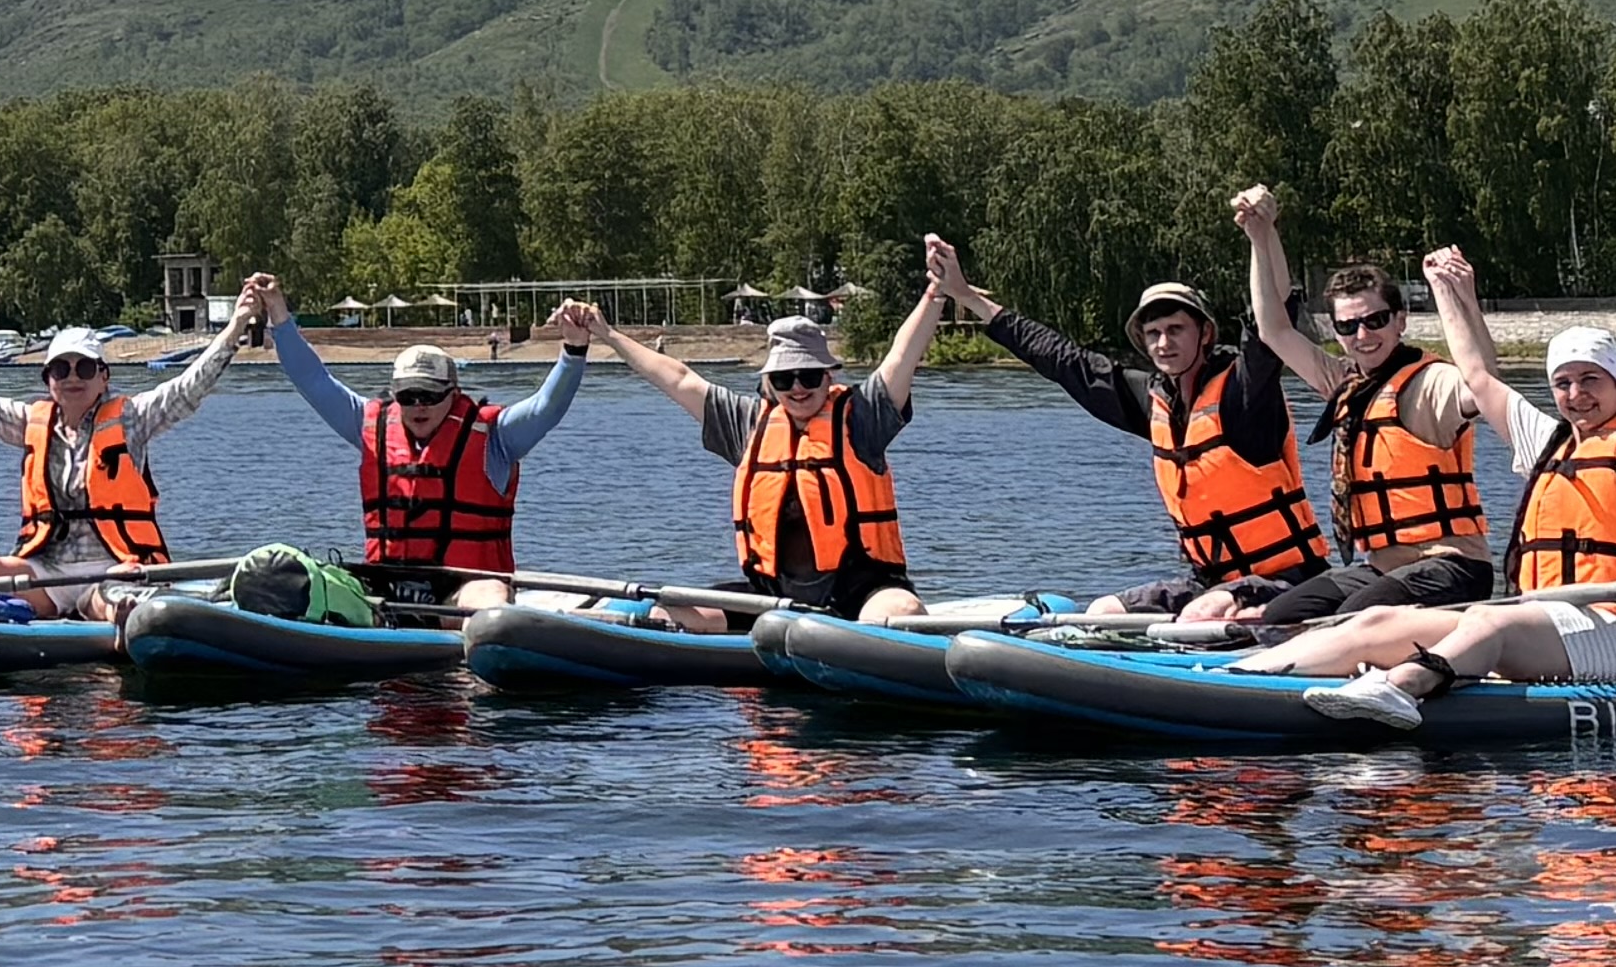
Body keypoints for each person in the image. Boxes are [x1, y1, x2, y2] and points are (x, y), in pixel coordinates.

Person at [1271, 190, 1616, 720]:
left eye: (1591, 379)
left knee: (1490, 623)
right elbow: (1478, 377)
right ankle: (1243, 677)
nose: (1577, 394)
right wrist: (1449, 293)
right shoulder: (1548, 442)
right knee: (1377, 623)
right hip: (1540, 622)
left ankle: (1399, 688)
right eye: (1563, 382)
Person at [1162, 186, 1512, 640]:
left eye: (1375, 320)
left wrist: (1458, 295)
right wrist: (1262, 236)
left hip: (1450, 567)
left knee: (1344, 620)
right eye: (1347, 326)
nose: (1363, 335)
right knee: (1280, 615)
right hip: (1381, 568)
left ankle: (1432, 656)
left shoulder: (1428, 384)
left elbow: (1481, 381)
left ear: (1400, 319)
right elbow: (1273, 328)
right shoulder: (1342, 382)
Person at [924, 230, 1326, 613]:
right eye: (1153, 334)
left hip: (1287, 581)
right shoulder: (1152, 401)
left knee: (1204, 612)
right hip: (1211, 583)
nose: (1163, 344)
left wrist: (1262, 234)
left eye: (1175, 330)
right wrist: (965, 296)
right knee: (1105, 609)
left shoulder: (1245, 393)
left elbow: (1273, 322)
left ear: (1204, 333)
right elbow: (1061, 359)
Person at [565, 268, 953, 620]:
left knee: (902, 609)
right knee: (668, 614)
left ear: (827, 375)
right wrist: (608, 334)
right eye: (784, 379)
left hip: (860, 594)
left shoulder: (861, 419)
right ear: (768, 383)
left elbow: (902, 357)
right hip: (771, 598)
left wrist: (935, 291)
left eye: (808, 376)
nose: (797, 388)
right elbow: (679, 379)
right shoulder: (749, 423)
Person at [245, 269, 590, 612]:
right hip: (383, 586)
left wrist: (573, 350)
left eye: (429, 395)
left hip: (463, 589)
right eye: (408, 396)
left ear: (453, 394)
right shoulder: (369, 423)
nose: (418, 405)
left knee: (490, 599)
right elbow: (313, 379)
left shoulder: (495, 436)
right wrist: (278, 310)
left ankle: (482, 644)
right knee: (286, 579)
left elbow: (547, 406)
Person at [0, 305, 256, 585]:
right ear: (48, 380)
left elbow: (191, 385)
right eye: (60, 368)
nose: (72, 376)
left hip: (118, 568)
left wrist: (236, 325)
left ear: (103, 377)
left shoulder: (133, 418)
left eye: (84, 367)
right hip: (49, 571)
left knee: (108, 593)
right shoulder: (31, 423)